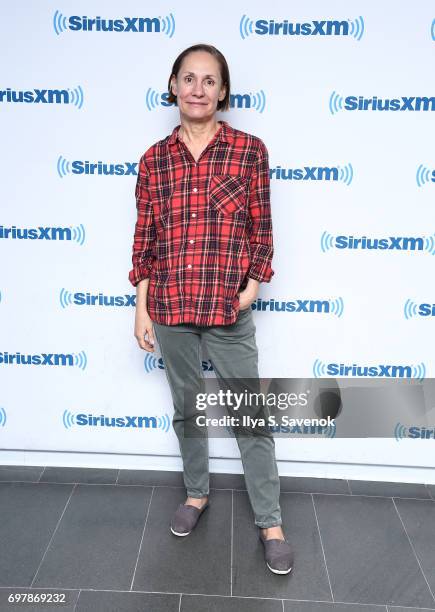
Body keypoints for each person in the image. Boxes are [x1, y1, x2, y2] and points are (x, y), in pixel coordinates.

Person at [128, 43, 293, 575]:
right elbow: (146, 239)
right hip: (171, 305)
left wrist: (253, 287)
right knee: (186, 410)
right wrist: (142, 306)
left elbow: (262, 229)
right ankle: (196, 494)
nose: (198, 89)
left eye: (209, 80)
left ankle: (270, 521)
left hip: (228, 308)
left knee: (250, 414)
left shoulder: (249, 150)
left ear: (223, 91)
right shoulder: (154, 159)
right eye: (188, 78)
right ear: (173, 85)